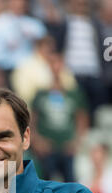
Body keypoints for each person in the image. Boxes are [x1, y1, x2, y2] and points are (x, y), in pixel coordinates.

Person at [31, 52, 89, 182]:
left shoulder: (73, 94)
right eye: (52, 64)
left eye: (58, 64)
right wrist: (37, 141)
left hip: (67, 148)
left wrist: (76, 142)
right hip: (47, 148)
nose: (55, 68)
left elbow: (82, 119)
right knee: (46, 183)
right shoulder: (41, 94)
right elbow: (32, 120)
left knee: (70, 185)